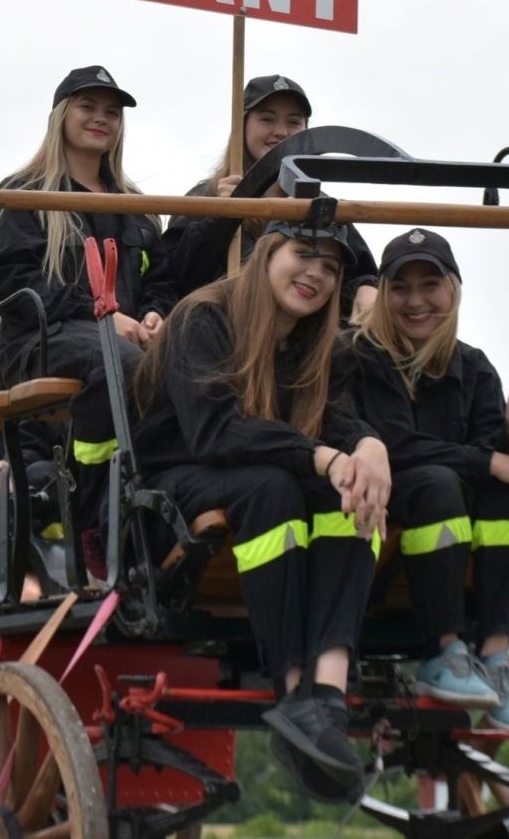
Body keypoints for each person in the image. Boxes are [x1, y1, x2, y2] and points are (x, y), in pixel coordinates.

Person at [132, 220, 391, 800]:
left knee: (348, 492)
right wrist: (323, 456)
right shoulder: (201, 317)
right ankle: (293, 692)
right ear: (267, 252)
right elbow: (215, 433)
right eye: (304, 254)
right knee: (275, 487)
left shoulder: (317, 344)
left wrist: (368, 447)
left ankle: (327, 698)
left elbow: (339, 419)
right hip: (173, 490)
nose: (316, 273)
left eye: (331, 267)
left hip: (261, 476)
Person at [343, 229, 509, 733]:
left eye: (430, 285)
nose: (416, 301)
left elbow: (495, 459)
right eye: (401, 288)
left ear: (453, 290)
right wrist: (495, 460)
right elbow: (394, 446)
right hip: (378, 504)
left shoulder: (473, 367)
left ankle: (494, 657)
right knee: (439, 484)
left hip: (447, 505)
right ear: (382, 294)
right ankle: (443, 651)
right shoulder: (359, 354)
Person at [0, 66, 176, 522]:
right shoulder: (23, 194)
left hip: (128, 341)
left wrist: (155, 313)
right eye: (88, 106)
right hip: (41, 340)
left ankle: (159, 504)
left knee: (192, 367)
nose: (101, 117)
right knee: (122, 363)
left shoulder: (139, 208)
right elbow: (8, 282)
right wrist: (100, 315)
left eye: (112, 111)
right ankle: (92, 510)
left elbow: (160, 281)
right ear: (61, 116)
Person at [161, 74, 379, 318]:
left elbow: (359, 272)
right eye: (267, 119)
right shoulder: (205, 197)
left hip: (298, 335)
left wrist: (365, 287)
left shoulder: (319, 205)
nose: (282, 132)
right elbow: (175, 278)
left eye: (294, 122)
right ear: (242, 126)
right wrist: (220, 218)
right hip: (219, 329)